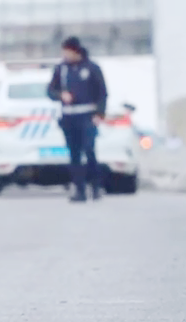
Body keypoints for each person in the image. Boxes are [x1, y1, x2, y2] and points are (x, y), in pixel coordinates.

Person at [47, 36, 108, 202]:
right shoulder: (61, 69)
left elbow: (102, 93)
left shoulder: (92, 68)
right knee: (74, 154)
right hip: (69, 116)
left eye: (67, 51)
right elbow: (50, 90)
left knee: (89, 149)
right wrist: (61, 95)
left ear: (75, 51)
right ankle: (79, 190)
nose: (65, 55)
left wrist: (99, 114)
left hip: (87, 115)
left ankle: (96, 186)